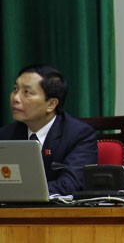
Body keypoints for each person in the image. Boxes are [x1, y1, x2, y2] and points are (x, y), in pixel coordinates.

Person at [0, 64, 97, 195]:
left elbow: (70, 184)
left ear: (51, 104)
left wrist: (23, 193)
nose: (15, 98)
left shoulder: (79, 135)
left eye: (27, 92)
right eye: (15, 89)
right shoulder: (6, 134)